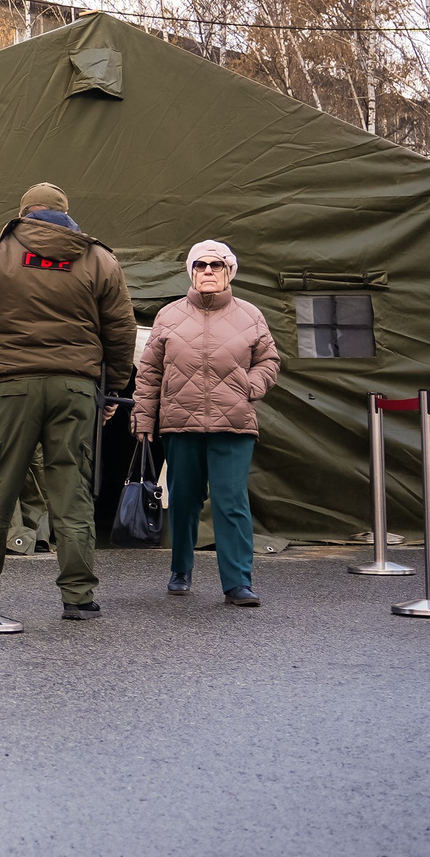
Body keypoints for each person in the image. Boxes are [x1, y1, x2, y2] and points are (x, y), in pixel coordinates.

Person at [0, 182, 136, 619]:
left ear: (24, 212)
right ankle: (78, 597)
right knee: (72, 489)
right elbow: (121, 330)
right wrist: (112, 390)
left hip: (15, 385)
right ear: (66, 213)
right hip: (75, 388)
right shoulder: (99, 258)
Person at [134, 240, 280, 607]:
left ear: (229, 271)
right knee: (183, 499)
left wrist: (251, 385)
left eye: (217, 265)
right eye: (201, 265)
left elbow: (269, 361)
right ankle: (180, 570)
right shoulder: (169, 315)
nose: (208, 271)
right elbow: (149, 371)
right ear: (191, 271)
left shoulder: (250, 315)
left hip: (233, 423)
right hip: (180, 422)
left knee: (231, 502)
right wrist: (143, 416)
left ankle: (237, 583)